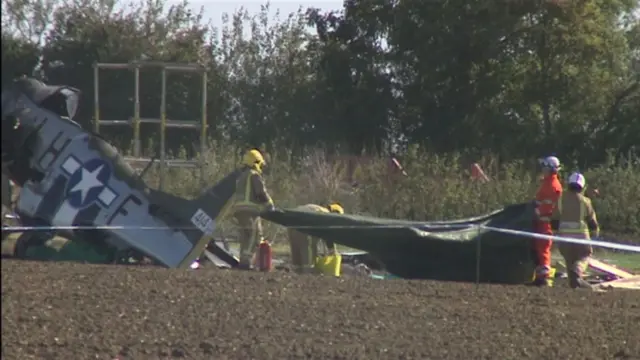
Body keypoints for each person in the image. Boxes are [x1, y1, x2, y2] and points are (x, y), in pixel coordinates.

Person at [551, 172, 599, 289]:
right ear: (582, 186)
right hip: (581, 237)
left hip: (564, 237)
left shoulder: (561, 199)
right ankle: (577, 272)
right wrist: (595, 232)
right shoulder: (585, 201)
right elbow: (592, 221)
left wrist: (556, 232)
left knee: (569, 259)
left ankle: (573, 284)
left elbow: (554, 219)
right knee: (584, 256)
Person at [231, 149, 275, 269]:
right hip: (250, 211)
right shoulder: (254, 175)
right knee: (254, 236)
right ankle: (246, 263)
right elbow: (260, 192)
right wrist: (269, 204)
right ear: (256, 162)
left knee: (245, 237)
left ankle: (243, 261)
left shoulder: (241, 177)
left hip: (239, 211)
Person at [531, 155, 563, 286]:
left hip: (546, 223)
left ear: (549, 169)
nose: (542, 170)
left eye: (544, 167)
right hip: (540, 222)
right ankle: (539, 275)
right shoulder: (547, 182)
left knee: (543, 248)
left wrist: (537, 211)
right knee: (538, 248)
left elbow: (549, 204)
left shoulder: (553, 185)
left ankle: (544, 277)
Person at [288, 203, 344, 274]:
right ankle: (308, 274)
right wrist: (333, 251)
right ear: (336, 213)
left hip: (292, 220)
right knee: (308, 250)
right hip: (305, 224)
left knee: (296, 252)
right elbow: (328, 235)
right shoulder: (327, 214)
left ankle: (296, 272)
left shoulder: (318, 209)